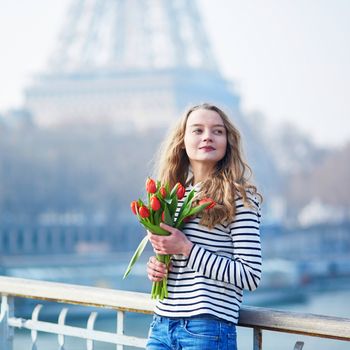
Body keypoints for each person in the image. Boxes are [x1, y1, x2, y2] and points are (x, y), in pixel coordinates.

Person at [146, 103, 262, 350]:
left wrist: (187, 249)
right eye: (197, 130)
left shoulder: (240, 198)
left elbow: (250, 275)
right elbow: (179, 266)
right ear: (182, 140)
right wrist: (158, 267)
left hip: (207, 328)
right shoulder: (172, 197)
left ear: (228, 142)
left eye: (217, 131)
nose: (208, 136)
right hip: (161, 323)